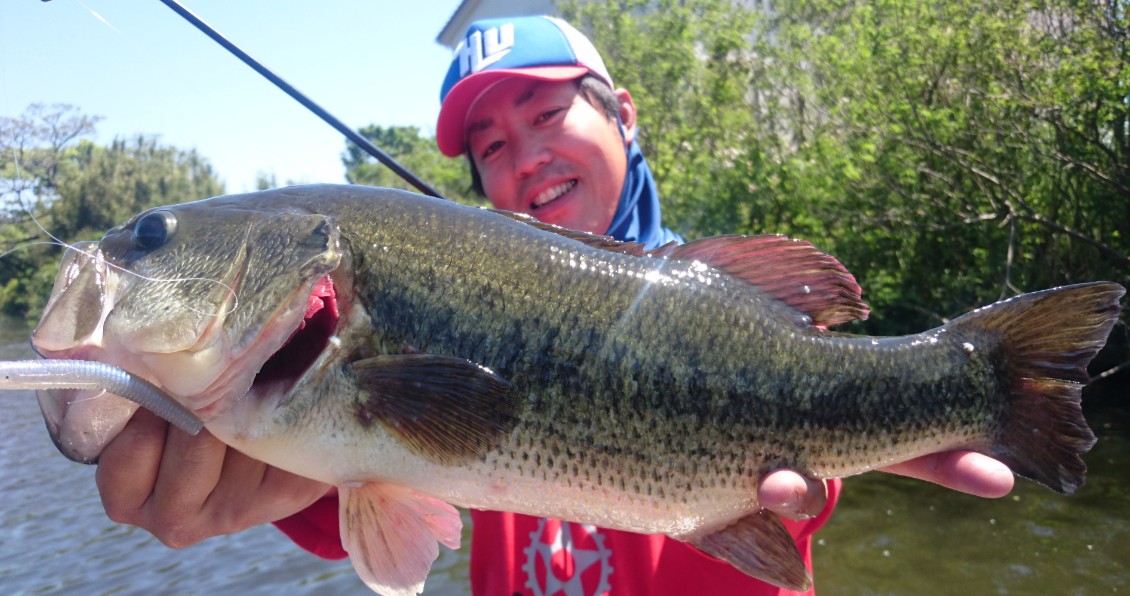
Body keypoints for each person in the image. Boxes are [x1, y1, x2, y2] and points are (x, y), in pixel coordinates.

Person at [94, 14, 1016, 595]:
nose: (525, 155)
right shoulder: (426, 302)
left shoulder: (720, 303)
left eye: (545, 113)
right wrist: (263, 472)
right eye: (491, 146)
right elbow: (365, 479)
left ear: (622, 114)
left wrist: (835, 441)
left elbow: (786, 494)